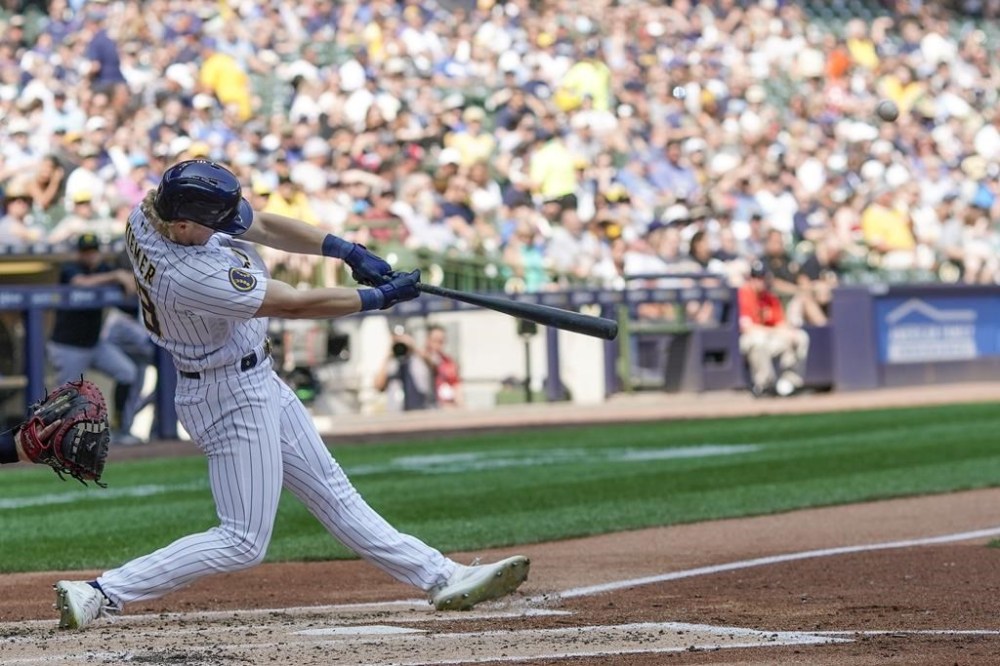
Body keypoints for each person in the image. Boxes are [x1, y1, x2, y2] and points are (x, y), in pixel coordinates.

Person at [53, 160, 528, 630]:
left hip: (251, 378)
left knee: (335, 493)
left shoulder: (152, 212)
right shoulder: (187, 275)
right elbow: (294, 303)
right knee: (242, 540)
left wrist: (345, 250)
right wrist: (375, 300)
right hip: (227, 394)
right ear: (181, 225)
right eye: (212, 224)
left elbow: (263, 226)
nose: (227, 228)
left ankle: (441, 576)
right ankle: (101, 591)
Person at [47, 233, 142, 445]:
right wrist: (116, 275)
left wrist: (124, 277)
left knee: (127, 372)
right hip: (67, 346)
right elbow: (81, 283)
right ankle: (53, 438)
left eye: (93, 251)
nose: (90, 255)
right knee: (65, 396)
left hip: (95, 344)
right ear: (79, 253)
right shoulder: (70, 268)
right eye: (86, 251)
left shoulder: (104, 269)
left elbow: (131, 287)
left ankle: (120, 429)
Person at [737, 261, 810, 398]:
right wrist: (775, 331)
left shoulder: (770, 297)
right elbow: (747, 328)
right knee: (758, 340)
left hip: (770, 338)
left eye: (763, 277)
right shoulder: (744, 294)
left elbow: (781, 324)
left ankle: (789, 384)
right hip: (746, 340)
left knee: (800, 337)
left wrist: (789, 333)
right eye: (757, 277)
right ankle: (764, 385)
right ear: (751, 278)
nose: (760, 281)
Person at [373, 323, 463, 411]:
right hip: (396, 415)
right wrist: (389, 354)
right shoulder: (391, 362)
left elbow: (436, 367)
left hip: (421, 413)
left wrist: (412, 346)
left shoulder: (420, 358)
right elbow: (378, 386)